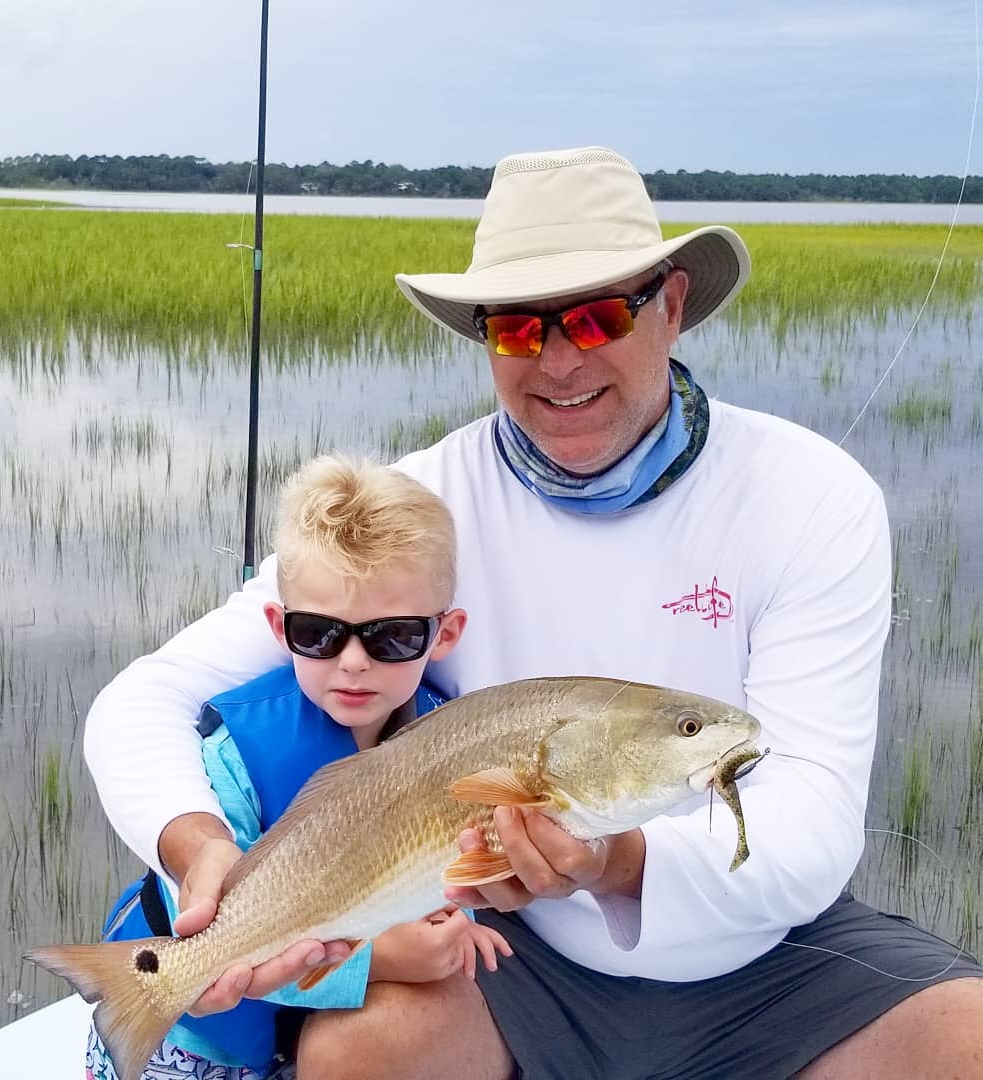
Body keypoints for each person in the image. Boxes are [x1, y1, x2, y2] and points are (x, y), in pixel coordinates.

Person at [85, 147, 983, 1079]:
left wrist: (614, 862)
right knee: (359, 1052)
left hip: (769, 953)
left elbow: (813, 819)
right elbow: (141, 703)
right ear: (484, 337)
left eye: (598, 316)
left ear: (672, 306)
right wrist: (203, 852)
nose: (559, 362)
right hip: (518, 953)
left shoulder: (810, 492)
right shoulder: (417, 510)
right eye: (517, 330)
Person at [85, 455, 509, 1079]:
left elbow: (439, 868)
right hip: (194, 1045)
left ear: (444, 636)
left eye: (392, 638)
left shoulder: (452, 744)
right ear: (280, 629)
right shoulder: (231, 755)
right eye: (320, 633)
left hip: (311, 1042)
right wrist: (383, 961)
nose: (355, 662)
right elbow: (234, 941)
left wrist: (457, 924)